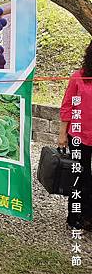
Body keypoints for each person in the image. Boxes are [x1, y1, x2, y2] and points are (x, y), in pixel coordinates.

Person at [60, 40, 92, 230]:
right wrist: (62, 134)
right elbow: (67, 106)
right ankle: (75, 217)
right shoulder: (78, 78)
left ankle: (89, 216)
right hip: (79, 136)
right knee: (80, 176)